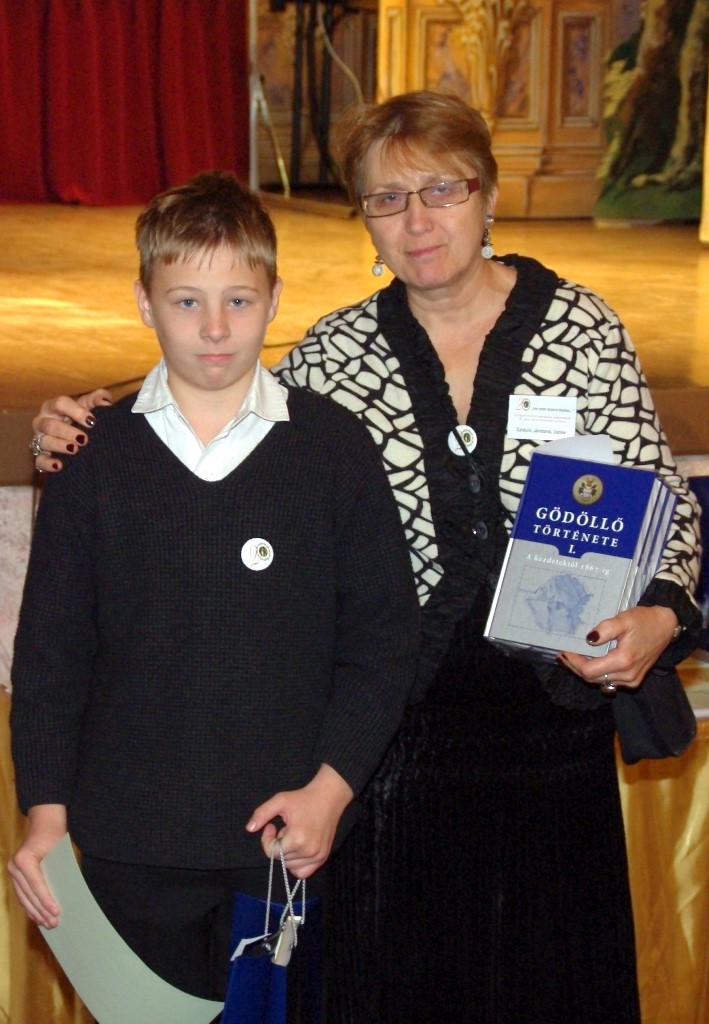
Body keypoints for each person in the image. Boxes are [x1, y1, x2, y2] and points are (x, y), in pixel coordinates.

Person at [26, 93, 702, 1024]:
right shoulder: (336, 355)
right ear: (365, 223)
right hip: (391, 754)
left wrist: (659, 614)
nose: (417, 221)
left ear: (488, 195)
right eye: (387, 199)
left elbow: (664, 506)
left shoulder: (581, 330)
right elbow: (214, 392)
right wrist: (79, 418)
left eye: (441, 190)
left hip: (550, 734)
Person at [8, 169, 420, 1014]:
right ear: (143, 303)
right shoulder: (92, 456)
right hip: (128, 842)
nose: (215, 327)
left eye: (238, 299)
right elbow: (50, 655)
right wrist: (44, 813)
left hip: (281, 839)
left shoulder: (332, 448)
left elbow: (382, 641)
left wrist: (330, 789)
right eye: (186, 301)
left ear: (275, 299)